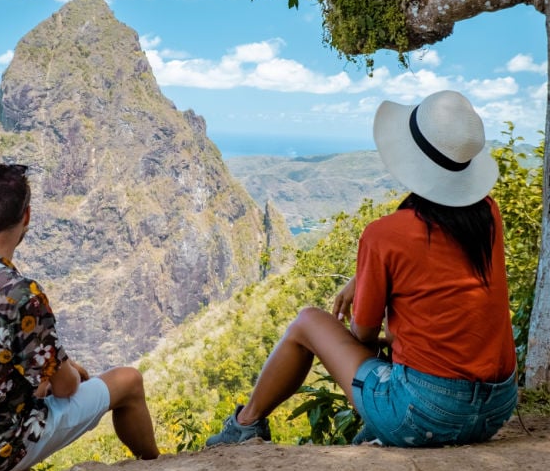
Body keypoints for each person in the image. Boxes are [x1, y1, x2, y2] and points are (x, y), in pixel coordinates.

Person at [206, 90, 518, 448]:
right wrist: (365, 276)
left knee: (307, 322)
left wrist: (375, 299)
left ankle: (245, 424)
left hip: (430, 412)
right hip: (495, 407)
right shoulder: (487, 215)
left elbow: (364, 333)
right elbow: (439, 271)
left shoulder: (385, 234)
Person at [0, 163, 159, 471]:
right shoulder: (21, 293)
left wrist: (49, 371)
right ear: (26, 217)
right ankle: (158, 467)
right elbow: (67, 387)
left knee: (31, 379)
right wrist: (67, 369)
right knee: (128, 381)